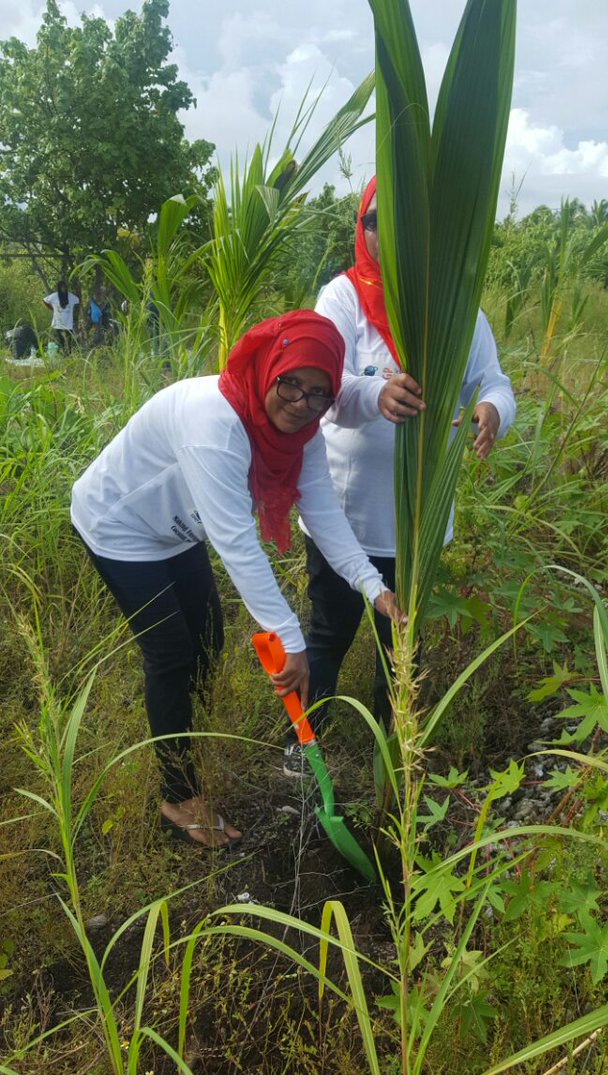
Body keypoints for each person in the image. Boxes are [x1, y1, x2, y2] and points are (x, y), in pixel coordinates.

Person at [71, 311, 400, 848]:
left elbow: (324, 514)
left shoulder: (302, 436)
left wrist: (373, 586)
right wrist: (290, 641)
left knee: (208, 638)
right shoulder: (215, 424)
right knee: (171, 654)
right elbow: (237, 545)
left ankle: (186, 741)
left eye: (319, 392)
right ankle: (177, 797)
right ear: (268, 367)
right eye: (290, 383)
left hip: (175, 531)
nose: (302, 402)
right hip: (119, 525)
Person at [285, 176, 516, 776]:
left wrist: (492, 410)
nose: (386, 235)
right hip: (345, 515)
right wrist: (374, 393)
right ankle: (304, 750)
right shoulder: (342, 298)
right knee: (329, 633)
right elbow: (323, 386)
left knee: (401, 645)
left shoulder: (456, 309)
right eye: (374, 222)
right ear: (361, 229)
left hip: (416, 520)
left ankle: (395, 757)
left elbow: (492, 380)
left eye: (401, 222)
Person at [43, 281, 79, 353]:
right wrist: (52, 308)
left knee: (69, 342)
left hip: (68, 324)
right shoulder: (54, 296)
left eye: (65, 287)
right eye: (62, 287)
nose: (63, 288)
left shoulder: (70, 296)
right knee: (60, 342)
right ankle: (62, 355)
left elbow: (78, 300)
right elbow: (44, 300)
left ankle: (69, 355)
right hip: (58, 323)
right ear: (59, 288)